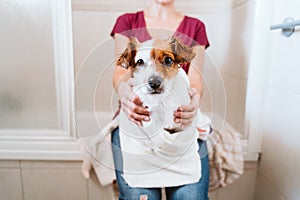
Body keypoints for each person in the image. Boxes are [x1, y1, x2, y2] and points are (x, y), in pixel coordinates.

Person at [110, 0, 210, 199]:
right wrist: (124, 94)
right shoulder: (127, 22)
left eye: (167, 61)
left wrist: (194, 102)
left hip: (181, 122)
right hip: (135, 121)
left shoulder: (195, 26)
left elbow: (195, 79)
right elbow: (120, 72)